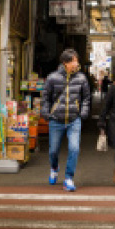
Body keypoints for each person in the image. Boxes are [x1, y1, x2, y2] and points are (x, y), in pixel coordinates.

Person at [41, 49, 91, 192]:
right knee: (53, 150)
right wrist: (46, 113)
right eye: (73, 61)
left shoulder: (81, 78)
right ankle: (54, 167)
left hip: (74, 120)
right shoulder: (52, 78)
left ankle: (68, 178)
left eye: (77, 60)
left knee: (74, 148)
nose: (76, 63)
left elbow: (86, 97)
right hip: (56, 120)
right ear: (65, 63)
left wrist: (84, 112)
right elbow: (45, 98)